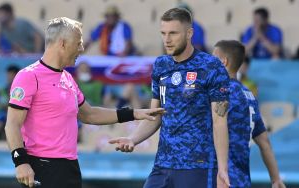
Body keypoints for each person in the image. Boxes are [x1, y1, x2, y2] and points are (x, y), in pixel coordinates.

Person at [4, 17, 164, 188]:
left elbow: (89, 114)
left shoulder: (67, 78)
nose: (81, 48)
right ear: (63, 43)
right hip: (42, 167)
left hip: (70, 167)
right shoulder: (28, 76)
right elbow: (12, 124)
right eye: (78, 43)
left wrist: (134, 114)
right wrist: (20, 162)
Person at [109, 8, 230, 188]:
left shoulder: (211, 66)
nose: (167, 39)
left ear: (189, 33)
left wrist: (222, 169)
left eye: (173, 33)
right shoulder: (161, 65)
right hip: (162, 165)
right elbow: (156, 114)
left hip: (197, 166)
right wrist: (133, 139)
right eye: (163, 33)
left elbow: (219, 121)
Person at [212, 40, 286, 188]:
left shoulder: (222, 91)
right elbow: (264, 142)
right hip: (241, 178)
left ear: (223, 62)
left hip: (221, 177)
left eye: (212, 58)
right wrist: (275, 179)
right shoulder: (249, 95)